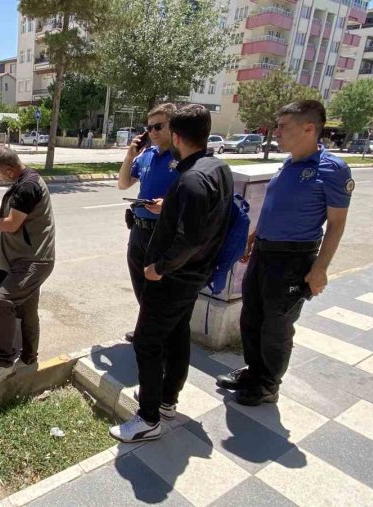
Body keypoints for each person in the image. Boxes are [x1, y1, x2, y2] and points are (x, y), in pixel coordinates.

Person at [110, 104, 234, 443]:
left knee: (148, 342)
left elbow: (190, 238)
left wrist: (158, 268)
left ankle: (149, 418)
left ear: (177, 136)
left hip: (174, 277)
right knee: (178, 334)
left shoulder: (192, 178)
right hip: (192, 275)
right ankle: (165, 400)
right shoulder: (217, 168)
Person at [216, 100, 352, 406]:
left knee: (276, 325)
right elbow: (277, 208)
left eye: (282, 126)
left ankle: (267, 384)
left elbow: (337, 224)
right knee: (252, 317)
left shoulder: (331, 169)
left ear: (309, 128)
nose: (275, 132)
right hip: (265, 251)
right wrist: (255, 236)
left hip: (293, 258)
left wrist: (319, 268)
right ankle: (254, 370)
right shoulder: (288, 164)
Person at [0, 147, 56, 386]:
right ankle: (29, 359)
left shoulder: (27, 186)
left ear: (9, 169)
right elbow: (20, 211)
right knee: (28, 311)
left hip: (34, 261)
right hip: (30, 259)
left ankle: (4, 362)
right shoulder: (24, 180)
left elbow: (11, 225)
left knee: (1, 299)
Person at [117, 103, 179, 341]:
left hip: (163, 232)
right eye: (149, 127)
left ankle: (160, 335)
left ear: (172, 126)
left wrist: (167, 205)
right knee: (140, 283)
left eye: (158, 126)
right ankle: (148, 329)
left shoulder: (182, 157)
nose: (152, 132)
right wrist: (130, 155)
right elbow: (123, 184)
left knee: (160, 287)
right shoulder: (147, 156)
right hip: (139, 230)